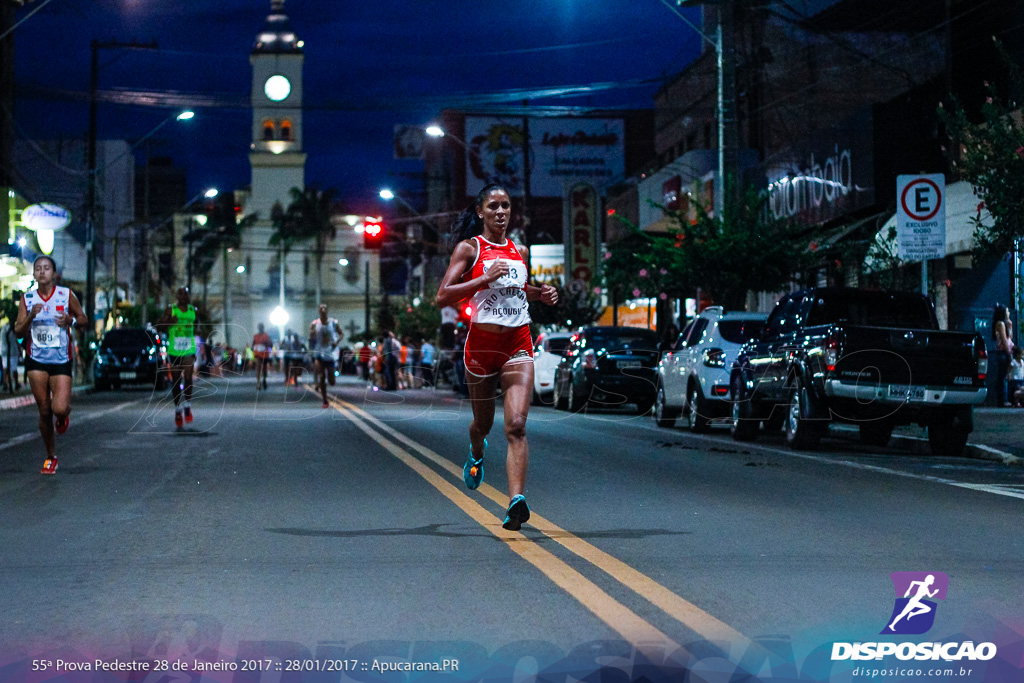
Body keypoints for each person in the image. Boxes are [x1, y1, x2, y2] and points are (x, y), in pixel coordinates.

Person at [435, 183, 558, 531]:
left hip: (518, 343)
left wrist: (542, 294)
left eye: (505, 206)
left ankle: (515, 501)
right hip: (481, 348)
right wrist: (482, 278)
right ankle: (476, 451)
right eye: (493, 207)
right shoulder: (469, 249)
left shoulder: (519, 249)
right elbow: (443, 296)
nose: (501, 212)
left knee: (516, 426)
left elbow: (519, 292)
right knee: (483, 424)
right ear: (480, 212)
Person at [13, 255, 87, 475]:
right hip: (36, 360)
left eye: (46, 268)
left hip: (60, 360)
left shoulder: (66, 295)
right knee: (44, 410)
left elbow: (83, 319)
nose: (42, 271)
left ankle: (64, 416)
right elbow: (18, 331)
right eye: (38, 268)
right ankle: (51, 456)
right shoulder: (27, 299)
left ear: (53, 273)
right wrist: (30, 317)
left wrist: (70, 321)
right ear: (34, 274)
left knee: (59, 408)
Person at [158, 287, 199, 428]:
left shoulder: (193, 310)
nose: (183, 296)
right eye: (180, 293)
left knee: (188, 377)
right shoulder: (171, 309)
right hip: (175, 349)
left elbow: (197, 326)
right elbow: (160, 326)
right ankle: (177, 409)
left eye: (186, 294)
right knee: (176, 380)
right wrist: (169, 322)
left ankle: (187, 405)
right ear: (176, 296)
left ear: (188, 296)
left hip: (189, 348)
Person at [309, 303, 343, 408]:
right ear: (319, 311)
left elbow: (341, 334)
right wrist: (312, 335)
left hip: (330, 351)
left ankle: (324, 383)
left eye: (325, 308)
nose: (323, 310)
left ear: (327, 311)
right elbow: (311, 339)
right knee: (322, 376)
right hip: (319, 352)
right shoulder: (314, 323)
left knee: (332, 381)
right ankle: (324, 400)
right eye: (321, 309)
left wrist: (336, 342)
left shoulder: (333, 323)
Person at [992, 303, 1014, 407]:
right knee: (1002, 377)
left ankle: (1003, 399)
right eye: (1007, 311)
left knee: (1004, 376)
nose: (1008, 313)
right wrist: (1008, 352)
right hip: (1003, 352)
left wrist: (1010, 324)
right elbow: (1004, 340)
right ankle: (1002, 400)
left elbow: (1010, 338)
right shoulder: (1000, 324)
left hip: (1006, 351)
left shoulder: (1005, 323)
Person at [2, 318, 22, 393]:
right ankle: (15, 383)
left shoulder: (3, 329)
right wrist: (19, 351)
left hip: (5, 351)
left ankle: (6, 383)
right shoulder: (12, 330)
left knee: (5, 368)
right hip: (12, 352)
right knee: (14, 369)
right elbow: (16, 341)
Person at [252, 323, 273, 391]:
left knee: (264, 369)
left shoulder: (266, 336)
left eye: (261, 327)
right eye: (259, 327)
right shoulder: (255, 336)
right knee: (258, 368)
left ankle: (264, 380)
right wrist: (254, 348)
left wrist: (266, 343)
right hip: (258, 354)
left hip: (265, 354)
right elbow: (253, 344)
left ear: (263, 328)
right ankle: (258, 383)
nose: (260, 328)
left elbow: (271, 345)